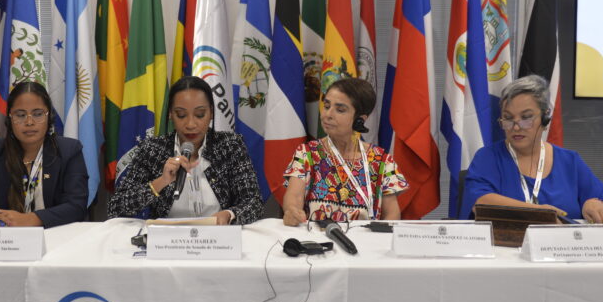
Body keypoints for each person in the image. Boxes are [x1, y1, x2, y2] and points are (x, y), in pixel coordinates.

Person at [107, 75, 263, 225]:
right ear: (170, 114)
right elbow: (116, 207)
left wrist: (229, 214)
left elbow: (254, 203)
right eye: (181, 115)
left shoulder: (230, 145)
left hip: (217, 236)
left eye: (200, 114)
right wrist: (161, 182)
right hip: (168, 238)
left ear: (211, 113)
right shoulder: (152, 150)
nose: (190, 124)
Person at [461, 74, 603, 222]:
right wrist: (539, 214)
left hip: (560, 242)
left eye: (526, 117)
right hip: (503, 242)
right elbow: (480, 203)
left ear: (545, 118)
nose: (516, 127)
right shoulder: (487, 157)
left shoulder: (570, 161)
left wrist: (594, 205)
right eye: (508, 118)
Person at [0, 81, 88, 228]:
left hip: (55, 236)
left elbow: (77, 207)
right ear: (10, 118)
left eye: (38, 114)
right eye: (20, 115)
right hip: (9, 238)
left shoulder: (69, 150)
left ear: (49, 116)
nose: (29, 122)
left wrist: (31, 219)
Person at [283, 77, 407, 224]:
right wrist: (292, 211)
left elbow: (392, 214)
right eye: (326, 106)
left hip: (365, 238)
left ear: (360, 119)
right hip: (317, 236)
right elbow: (294, 197)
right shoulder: (307, 153)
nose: (328, 114)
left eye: (340, 110)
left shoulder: (382, 161)